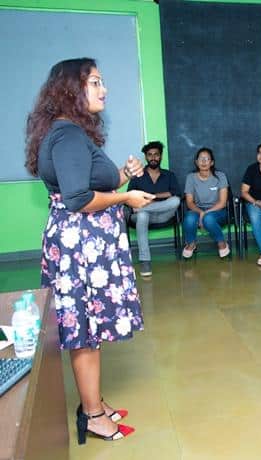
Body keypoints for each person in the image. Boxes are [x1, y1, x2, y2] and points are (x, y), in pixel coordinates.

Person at [26, 58, 153, 443]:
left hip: (82, 244)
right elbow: (79, 198)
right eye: (95, 82)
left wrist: (125, 175)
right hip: (80, 247)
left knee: (88, 328)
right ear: (71, 89)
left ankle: (92, 401)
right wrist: (127, 197)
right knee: (84, 329)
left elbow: (91, 184)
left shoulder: (69, 133)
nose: (104, 89)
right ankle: (93, 415)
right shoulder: (67, 135)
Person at [127, 141, 180, 276]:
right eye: (150, 155)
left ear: (160, 156)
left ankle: (143, 209)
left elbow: (175, 193)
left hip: (163, 214)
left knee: (176, 201)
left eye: (156, 154)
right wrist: (162, 196)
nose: (153, 157)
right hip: (142, 217)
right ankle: (145, 261)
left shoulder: (169, 175)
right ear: (146, 157)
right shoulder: (137, 176)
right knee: (142, 216)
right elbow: (129, 197)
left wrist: (152, 198)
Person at [182, 147, 230, 258]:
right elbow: (189, 202)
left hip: (218, 210)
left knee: (208, 218)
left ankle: (221, 242)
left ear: (212, 162)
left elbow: (223, 202)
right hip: (197, 209)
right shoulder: (190, 177)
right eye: (201, 159)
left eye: (207, 159)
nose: (203, 161)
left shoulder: (220, 176)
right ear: (196, 162)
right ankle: (191, 243)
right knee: (189, 218)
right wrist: (201, 212)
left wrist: (205, 213)